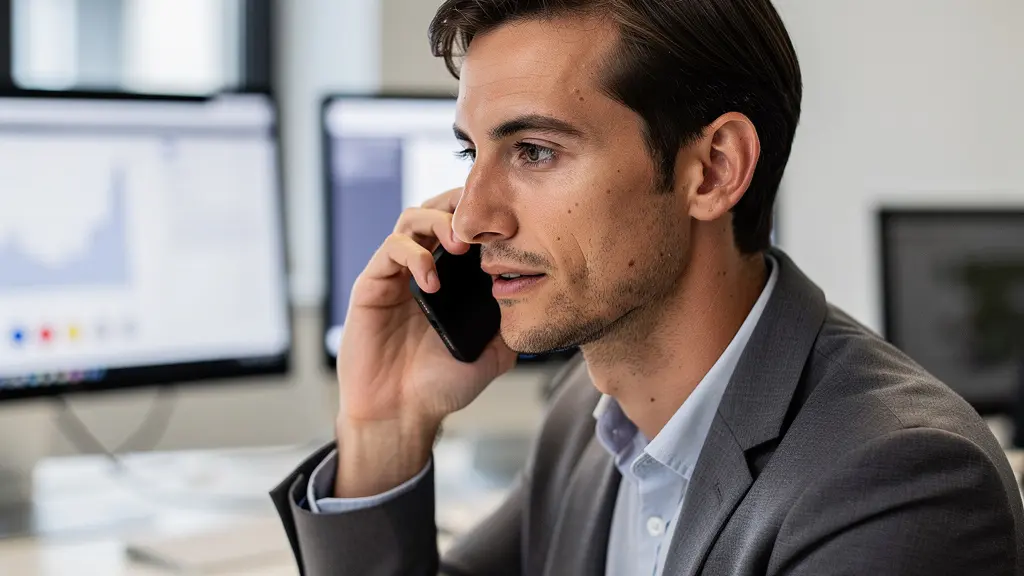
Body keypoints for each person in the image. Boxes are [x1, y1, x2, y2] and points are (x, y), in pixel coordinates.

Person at [272, 0, 1024, 574]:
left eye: (535, 151)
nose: (470, 221)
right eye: (472, 152)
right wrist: (385, 427)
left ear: (714, 169)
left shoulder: (903, 480)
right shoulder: (591, 411)